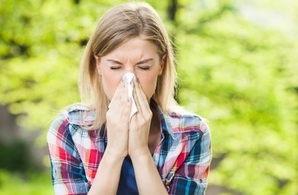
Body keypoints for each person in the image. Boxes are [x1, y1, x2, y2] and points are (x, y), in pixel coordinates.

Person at [47, 2, 212, 195]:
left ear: (161, 65)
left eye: (143, 67)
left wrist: (140, 152)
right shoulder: (69, 129)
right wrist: (114, 152)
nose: (129, 81)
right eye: (115, 67)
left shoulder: (192, 133)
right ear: (98, 64)